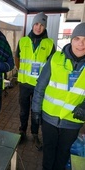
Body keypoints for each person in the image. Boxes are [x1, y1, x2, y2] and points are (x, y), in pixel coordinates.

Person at [32, 22, 85, 170]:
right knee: (48, 152)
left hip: (72, 122)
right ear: (71, 40)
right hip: (49, 118)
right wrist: (36, 110)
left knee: (63, 154)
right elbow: (40, 86)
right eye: (77, 39)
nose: (81, 44)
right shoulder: (55, 59)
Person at [15, 12, 55, 149]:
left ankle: (35, 134)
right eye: (36, 24)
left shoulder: (50, 44)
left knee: (36, 111)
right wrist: (21, 71)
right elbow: (17, 58)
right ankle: (22, 131)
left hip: (40, 85)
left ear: (45, 27)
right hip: (25, 83)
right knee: (23, 110)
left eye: (42, 25)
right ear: (32, 25)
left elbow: (52, 65)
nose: (39, 27)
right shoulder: (23, 41)